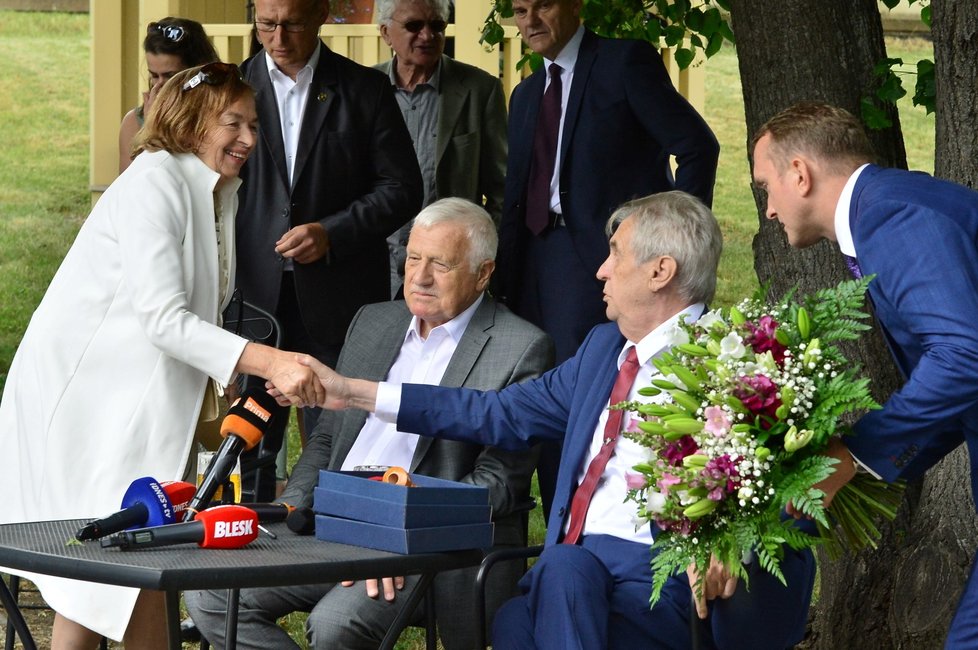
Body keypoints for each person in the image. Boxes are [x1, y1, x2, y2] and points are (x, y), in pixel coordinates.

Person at [285, 191, 816, 649]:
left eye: (614, 254)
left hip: (663, 581)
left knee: (543, 593)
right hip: (573, 573)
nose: (600, 269)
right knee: (524, 612)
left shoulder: (739, 361)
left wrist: (730, 546)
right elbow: (496, 412)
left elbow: (797, 484)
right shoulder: (603, 348)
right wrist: (354, 392)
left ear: (661, 271)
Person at [0, 63, 322, 649]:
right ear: (194, 121)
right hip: (87, 403)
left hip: (136, 401)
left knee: (143, 560)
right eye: (234, 123)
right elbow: (162, 318)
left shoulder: (214, 186)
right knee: (104, 572)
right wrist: (266, 361)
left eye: (254, 123)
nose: (250, 138)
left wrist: (220, 371)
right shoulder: (154, 183)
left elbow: (196, 309)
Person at [186, 197, 554, 649]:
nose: (418, 277)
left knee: (335, 625)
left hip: (426, 544)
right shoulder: (375, 320)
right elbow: (325, 438)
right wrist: (293, 508)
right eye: (413, 258)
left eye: (440, 264)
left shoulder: (521, 347)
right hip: (330, 526)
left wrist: (400, 534)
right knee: (211, 596)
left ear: (483, 273)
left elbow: (498, 486)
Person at [751, 100, 978, 648]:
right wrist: (853, 477)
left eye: (766, 189)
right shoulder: (892, 206)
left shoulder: (890, 217)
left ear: (799, 174)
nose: (769, 211)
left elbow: (965, 357)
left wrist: (852, 455)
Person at [496, 0, 720, 517]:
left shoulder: (623, 64)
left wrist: (672, 244)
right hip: (531, 262)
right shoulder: (527, 93)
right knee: (529, 390)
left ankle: (574, 525)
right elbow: (514, 193)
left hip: (599, 264)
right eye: (519, 10)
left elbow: (696, 147)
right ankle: (532, 529)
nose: (529, 21)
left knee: (580, 399)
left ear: (574, 5)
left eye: (542, 6)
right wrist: (505, 280)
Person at [235, 0, 423, 500]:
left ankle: (326, 549)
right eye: (266, 24)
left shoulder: (364, 89)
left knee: (339, 440)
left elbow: (402, 188)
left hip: (338, 303)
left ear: (320, 17)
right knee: (246, 449)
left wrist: (332, 232)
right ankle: (245, 562)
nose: (277, 37)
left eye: (291, 24)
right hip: (251, 298)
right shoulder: (227, 89)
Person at [374, 0, 507, 297]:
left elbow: (501, 189)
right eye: (413, 26)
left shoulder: (479, 89)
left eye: (437, 26)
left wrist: (481, 253)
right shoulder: (364, 88)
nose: (427, 36)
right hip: (376, 262)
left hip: (451, 268)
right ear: (385, 32)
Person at [118, 17, 220, 172]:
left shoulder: (220, 116)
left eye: (170, 76)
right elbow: (128, 189)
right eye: (154, 75)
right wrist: (150, 128)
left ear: (198, 70)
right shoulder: (134, 122)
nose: (159, 85)